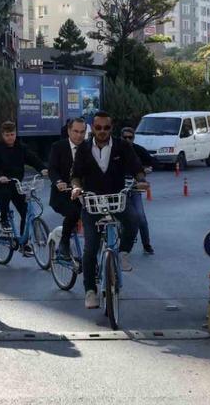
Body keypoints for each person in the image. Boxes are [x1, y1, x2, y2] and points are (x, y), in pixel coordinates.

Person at [70, 112, 147, 309]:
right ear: (92, 129)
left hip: (117, 200)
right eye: (98, 128)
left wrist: (141, 181)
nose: (102, 131)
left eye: (106, 128)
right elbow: (76, 175)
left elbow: (137, 167)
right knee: (91, 248)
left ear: (111, 129)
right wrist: (77, 188)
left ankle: (123, 253)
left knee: (134, 220)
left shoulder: (123, 146)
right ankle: (90, 291)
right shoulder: (83, 149)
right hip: (92, 203)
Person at [0, 121, 46, 253]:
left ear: (16, 133)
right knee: (5, 195)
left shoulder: (21, 147)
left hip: (16, 184)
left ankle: (23, 244)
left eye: (12, 134)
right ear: (2, 135)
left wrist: (42, 168)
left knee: (25, 211)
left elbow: (32, 158)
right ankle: (3, 220)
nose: (10, 137)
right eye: (7, 135)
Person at [47, 118, 87, 259]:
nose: (79, 135)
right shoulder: (58, 147)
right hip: (62, 194)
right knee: (73, 213)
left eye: (82, 132)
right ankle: (64, 244)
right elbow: (52, 168)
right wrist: (58, 181)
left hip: (84, 193)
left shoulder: (89, 147)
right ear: (69, 131)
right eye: (75, 131)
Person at [121, 127, 155, 255]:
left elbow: (152, 162)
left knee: (140, 217)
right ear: (121, 138)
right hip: (118, 188)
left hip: (133, 187)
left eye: (130, 137)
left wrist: (146, 170)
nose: (128, 140)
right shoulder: (114, 149)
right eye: (125, 137)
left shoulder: (138, 150)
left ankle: (146, 244)